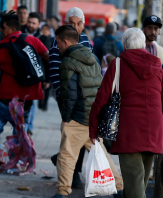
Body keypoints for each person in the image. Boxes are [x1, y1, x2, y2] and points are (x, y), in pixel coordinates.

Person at [89, 27, 163, 198]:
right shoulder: (157, 65)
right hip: (154, 129)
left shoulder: (118, 64)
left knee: (135, 188)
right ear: (143, 44)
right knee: (137, 185)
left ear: (124, 45)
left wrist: (93, 128)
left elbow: (102, 98)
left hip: (130, 131)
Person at [52, 25, 123, 198]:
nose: (57, 46)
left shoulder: (68, 62)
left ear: (66, 41)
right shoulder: (92, 57)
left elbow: (69, 94)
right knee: (101, 154)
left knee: (66, 157)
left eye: (58, 43)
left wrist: (66, 119)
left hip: (76, 117)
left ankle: (62, 192)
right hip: (93, 117)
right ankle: (119, 188)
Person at [0, 10, 49, 152]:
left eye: (3, 28)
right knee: (20, 130)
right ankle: (15, 160)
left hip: (6, 97)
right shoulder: (33, 41)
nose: (1, 30)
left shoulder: (2, 46)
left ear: (12, 29)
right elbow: (48, 57)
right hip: (27, 100)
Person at [49, 7, 95, 189]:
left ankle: (68, 169)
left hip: (85, 98)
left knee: (82, 136)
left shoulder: (86, 41)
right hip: (68, 97)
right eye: (71, 23)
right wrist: (63, 96)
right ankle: (71, 176)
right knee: (73, 135)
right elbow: (54, 72)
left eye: (79, 23)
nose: (75, 27)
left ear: (83, 25)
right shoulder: (58, 42)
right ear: (65, 23)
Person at [38, 24, 54, 111]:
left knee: (47, 88)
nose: (45, 31)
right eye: (43, 29)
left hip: (47, 63)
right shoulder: (40, 38)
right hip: (42, 64)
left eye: (46, 29)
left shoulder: (51, 40)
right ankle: (41, 103)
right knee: (42, 86)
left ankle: (44, 104)